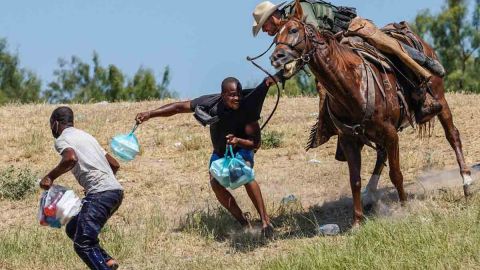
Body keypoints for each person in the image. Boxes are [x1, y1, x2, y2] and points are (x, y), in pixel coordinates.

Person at [252, 0, 446, 123]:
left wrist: (281, 73)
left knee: (388, 49)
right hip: (334, 46)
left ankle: (423, 82)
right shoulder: (285, 31)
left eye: (264, 26)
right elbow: (300, 55)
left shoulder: (298, 10)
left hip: (351, 29)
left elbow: (313, 42)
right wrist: (280, 74)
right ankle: (334, 125)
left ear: (273, 17)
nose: (265, 31)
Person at [135, 75, 282, 236]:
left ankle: (265, 221)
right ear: (223, 95)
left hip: (243, 148)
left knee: (243, 173)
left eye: (239, 93)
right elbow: (178, 107)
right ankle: (243, 222)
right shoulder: (210, 103)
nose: (237, 98)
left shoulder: (248, 107)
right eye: (232, 95)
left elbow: (255, 144)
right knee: (215, 184)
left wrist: (237, 140)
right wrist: (150, 114)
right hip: (220, 152)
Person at [40, 106, 124, 270]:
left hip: (101, 193)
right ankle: (106, 261)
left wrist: (50, 177)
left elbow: (70, 158)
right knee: (74, 228)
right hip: (116, 192)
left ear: (55, 123)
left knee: (82, 244)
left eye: (51, 125)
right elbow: (114, 164)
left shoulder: (62, 139)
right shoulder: (87, 136)